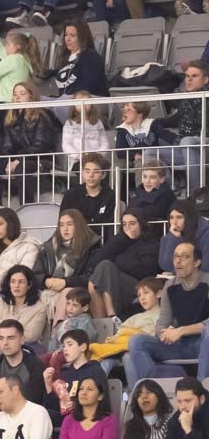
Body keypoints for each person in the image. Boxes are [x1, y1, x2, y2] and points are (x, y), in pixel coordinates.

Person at [123, 241, 209, 388]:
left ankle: (201, 390)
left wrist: (181, 330)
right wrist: (164, 333)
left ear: (196, 262)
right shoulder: (170, 285)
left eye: (184, 256)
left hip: (203, 342)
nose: (178, 261)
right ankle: (155, 390)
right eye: (175, 256)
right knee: (136, 342)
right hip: (180, 345)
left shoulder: (207, 281)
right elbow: (161, 323)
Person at [0, 270, 49, 375]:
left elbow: (30, 335)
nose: (16, 286)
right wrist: (5, 324)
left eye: (21, 282)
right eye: (13, 282)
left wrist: (2, 337)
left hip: (27, 348)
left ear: (29, 285)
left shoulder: (40, 307)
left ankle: (6, 383)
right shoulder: (2, 302)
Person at [150, 63, 209, 192]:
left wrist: (175, 139)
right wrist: (151, 122)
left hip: (205, 146)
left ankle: (196, 192)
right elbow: (174, 119)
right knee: (149, 153)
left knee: (187, 141)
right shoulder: (186, 100)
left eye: (194, 76)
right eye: (187, 76)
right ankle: (170, 190)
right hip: (186, 148)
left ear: (205, 79)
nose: (189, 80)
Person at [34, 210, 101, 313]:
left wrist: (66, 282)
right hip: (48, 291)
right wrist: (46, 281)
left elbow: (90, 276)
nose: (65, 229)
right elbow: (34, 274)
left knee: (68, 293)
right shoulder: (48, 248)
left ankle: (60, 323)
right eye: (61, 225)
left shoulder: (92, 248)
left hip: (78, 294)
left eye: (69, 224)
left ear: (78, 226)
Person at [0, 319, 46, 415]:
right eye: (1, 338)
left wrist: (2, 406)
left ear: (22, 340)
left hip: (24, 415)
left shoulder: (35, 365)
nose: (5, 343)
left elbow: (33, 399)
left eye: (11, 338)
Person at [59, 154, 117, 243]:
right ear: (82, 173)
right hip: (75, 242)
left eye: (96, 172)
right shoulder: (71, 194)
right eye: (87, 171)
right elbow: (63, 221)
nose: (91, 175)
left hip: (101, 242)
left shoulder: (110, 195)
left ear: (103, 174)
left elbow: (109, 227)